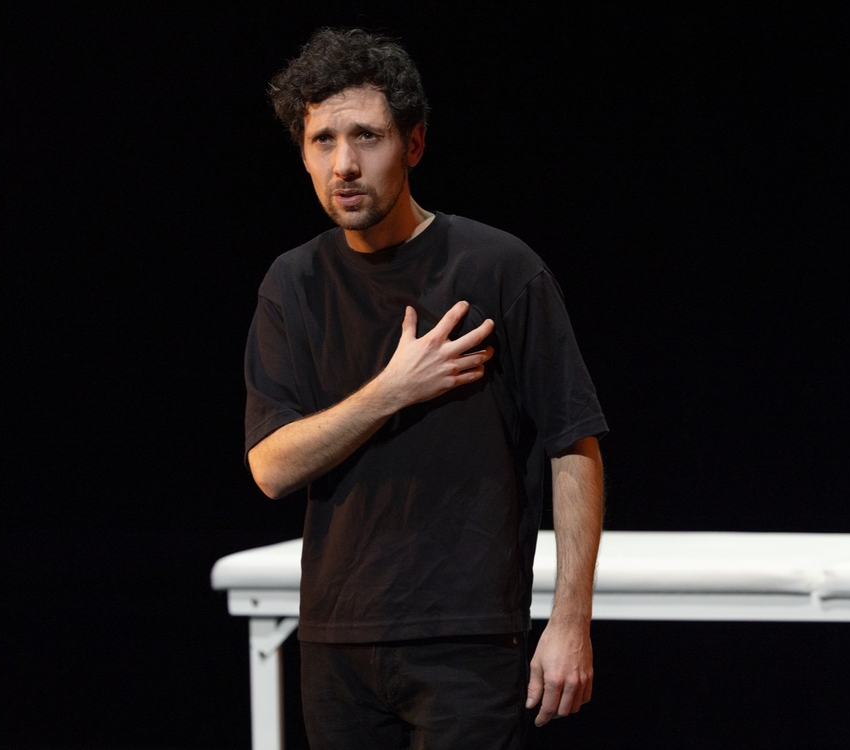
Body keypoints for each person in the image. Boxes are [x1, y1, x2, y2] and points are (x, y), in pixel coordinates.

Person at [244, 27, 607, 749]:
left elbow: (575, 445)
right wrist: (392, 389)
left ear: (413, 145)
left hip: (467, 639)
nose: (343, 165)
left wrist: (569, 621)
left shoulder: (499, 268)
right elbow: (271, 466)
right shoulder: (293, 284)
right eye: (322, 141)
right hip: (338, 638)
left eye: (366, 137)